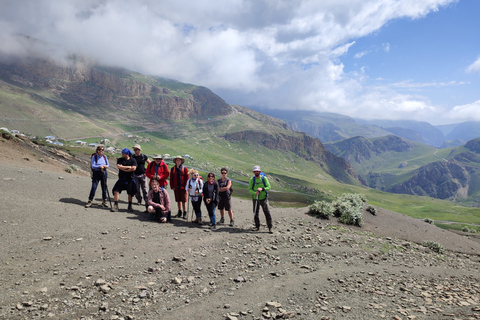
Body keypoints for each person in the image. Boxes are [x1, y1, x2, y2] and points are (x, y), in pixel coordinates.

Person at [111, 148, 137, 212]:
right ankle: (116, 206)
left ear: (127, 154)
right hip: (121, 179)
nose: (122, 155)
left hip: (130, 179)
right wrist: (128, 167)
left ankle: (130, 206)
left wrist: (123, 168)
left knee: (130, 193)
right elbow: (119, 166)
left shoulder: (133, 160)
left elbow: (134, 168)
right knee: (116, 191)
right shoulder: (120, 159)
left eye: (123, 154)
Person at [248, 165, 272, 233]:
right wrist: (255, 193)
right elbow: (249, 189)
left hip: (263, 198)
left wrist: (262, 189)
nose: (256, 172)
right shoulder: (252, 180)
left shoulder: (264, 178)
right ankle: (257, 226)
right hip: (255, 198)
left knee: (267, 212)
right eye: (255, 171)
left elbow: (269, 187)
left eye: (257, 171)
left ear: (260, 171)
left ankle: (270, 227)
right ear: (253, 172)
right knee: (255, 212)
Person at [132, 144, 151, 210]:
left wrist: (147, 172)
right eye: (134, 149)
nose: (135, 151)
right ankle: (139, 200)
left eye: (136, 149)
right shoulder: (132, 157)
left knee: (145, 189)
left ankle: (146, 200)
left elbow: (150, 163)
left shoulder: (143, 156)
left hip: (143, 174)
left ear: (139, 150)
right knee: (136, 189)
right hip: (135, 174)